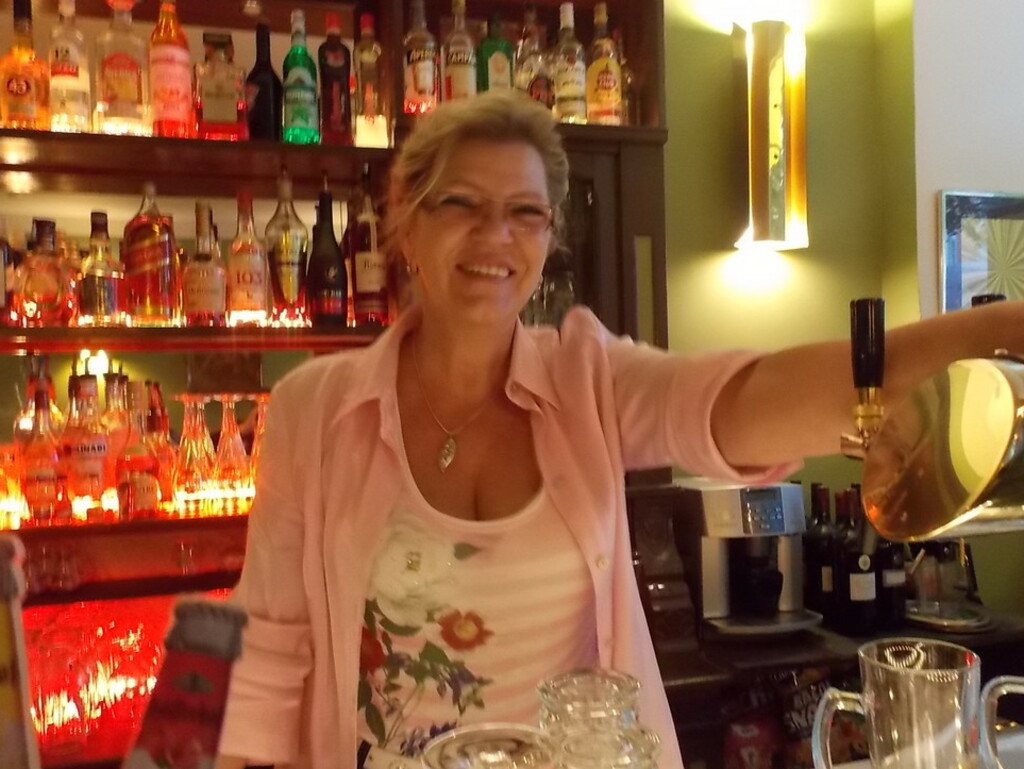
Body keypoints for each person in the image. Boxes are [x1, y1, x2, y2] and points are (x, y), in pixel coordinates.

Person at [215, 90, 1024, 769]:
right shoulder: (314, 409)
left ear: (548, 240)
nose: (496, 235)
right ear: (406, 220)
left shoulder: (587, 379)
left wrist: (999, 330)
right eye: (461, 203)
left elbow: (742, 399)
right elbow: (260, 658)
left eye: (526, 213)